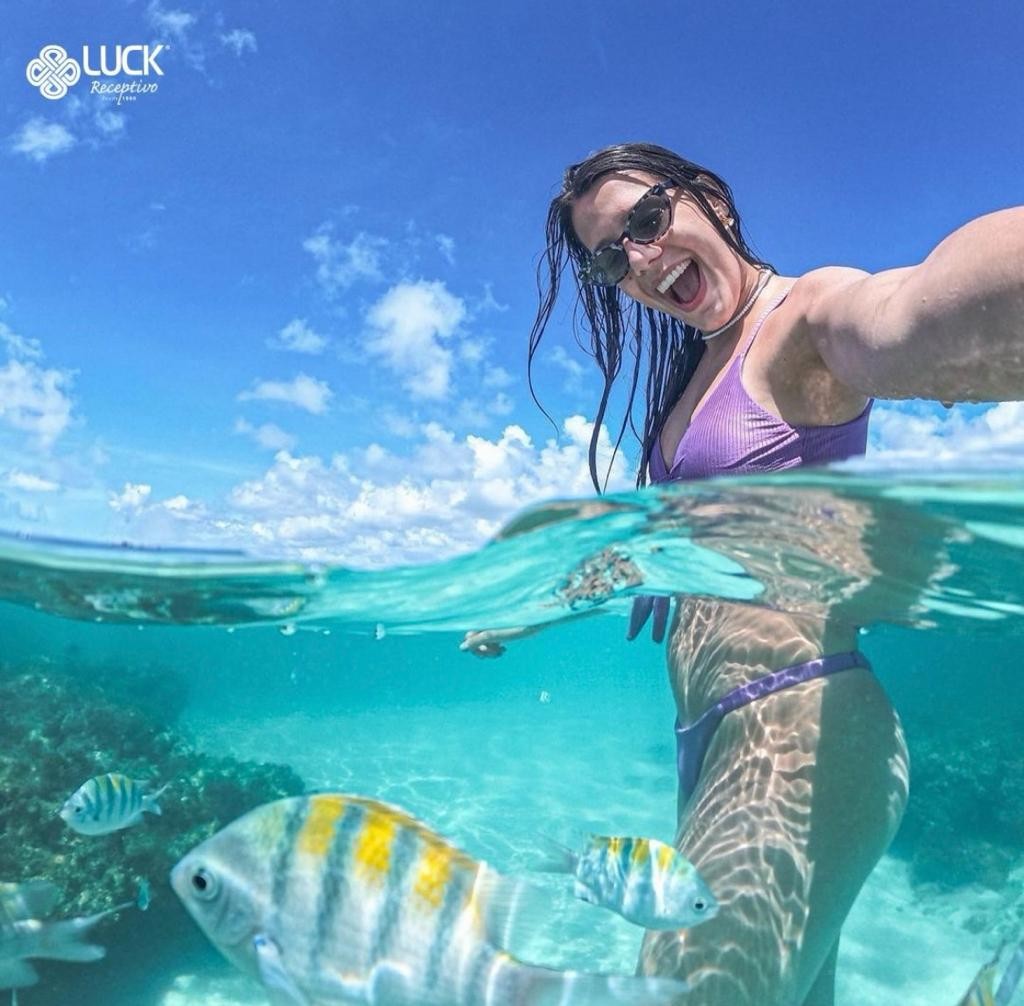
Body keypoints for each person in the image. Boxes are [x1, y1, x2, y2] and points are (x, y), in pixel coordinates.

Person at [462, 142, 1024, 1005]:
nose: (641, 259)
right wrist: (532, 609)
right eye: (614, 257)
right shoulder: (693, 377)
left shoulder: (803, 319)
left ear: (709, 198)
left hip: (798, 729)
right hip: (719, 746)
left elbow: (909, 317)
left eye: (647, 221)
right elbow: (646, 545)